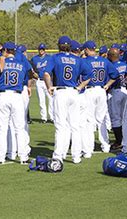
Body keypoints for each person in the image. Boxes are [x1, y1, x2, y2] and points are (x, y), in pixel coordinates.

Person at [44, 36, 91, 164]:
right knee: (74, 126)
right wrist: (79, 87)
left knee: (61, 125)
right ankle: (76, 156)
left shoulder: (55, 58)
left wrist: (49, 87)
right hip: (73, 92)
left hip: (61, 91)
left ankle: (58, 155)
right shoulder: (77, 59)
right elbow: (89, 75)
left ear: (58, 46)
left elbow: (46, 73)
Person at [0, 42, 32, 164]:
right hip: (16, 95)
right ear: (14, 51)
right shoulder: (21, 64)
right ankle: (23, 157)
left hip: (3, 95)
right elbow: (29, 74)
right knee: (19, 128)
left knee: (2, 128)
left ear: (5, 50)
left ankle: (1, 157)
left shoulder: (1, 61)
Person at [82, 40, 119, 155]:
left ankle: (88, 149)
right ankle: (105, 145)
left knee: (89, 121)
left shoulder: (85, 61)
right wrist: (107, 85)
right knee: (102, 119)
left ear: (87, 50)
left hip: (90, 90)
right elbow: (115, 75)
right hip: (101, 90)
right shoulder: (104, 61)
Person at [107, 47, 127, 150]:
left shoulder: (111, 66)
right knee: (126, 117)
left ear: (110, 56)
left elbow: (110, 79)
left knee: (116, 118)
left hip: (116, 91)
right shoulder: (126, 64)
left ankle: (119, 141)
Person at [31, 43, 53, 123]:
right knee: (41, 100)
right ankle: (44, 118)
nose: (41, 51)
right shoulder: (34, 59)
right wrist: (33, 75)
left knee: (51, 99)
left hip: (48, 81)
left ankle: (52, 117)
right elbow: (31, 69)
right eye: (40, 49)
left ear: (45, 50)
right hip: (39, 81)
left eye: (43, 49)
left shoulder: (50, 58)